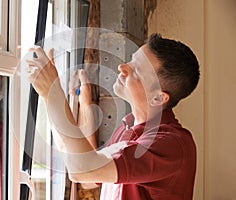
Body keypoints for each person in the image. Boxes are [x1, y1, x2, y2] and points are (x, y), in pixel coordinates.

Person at [27, 33, 200, 200]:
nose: (122, 67)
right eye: (131, 60)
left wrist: (52, 94)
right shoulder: (128, 128)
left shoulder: (171, 145)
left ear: (158, 97)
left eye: (137, 70)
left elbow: (83, 170)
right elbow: (91, 177)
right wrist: (86, 107)